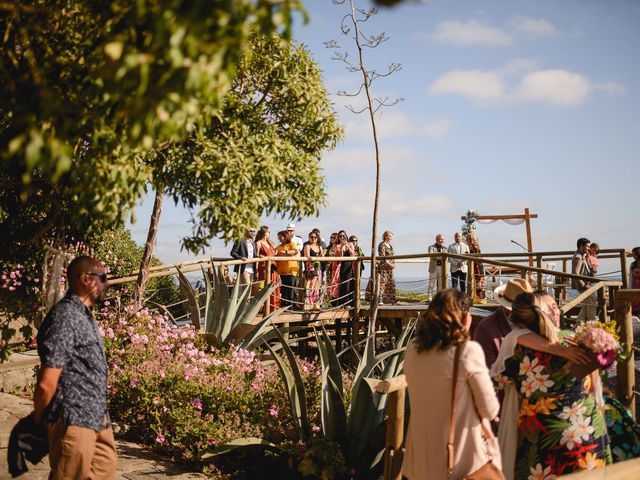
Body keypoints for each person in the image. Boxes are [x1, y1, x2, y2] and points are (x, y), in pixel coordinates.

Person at [491, 291, 610, 480]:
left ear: (516, 321)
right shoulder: (576, 341)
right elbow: (594, 379)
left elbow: (499, 380)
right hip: (586, 432)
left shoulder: (516, 347)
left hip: (542, 436)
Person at [403, 289, 502, 480]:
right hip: (458, 461)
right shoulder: (466, 352)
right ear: (465, 318)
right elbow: (490, 409)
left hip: (417, 461)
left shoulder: (412, 349)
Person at [33, 256, 117, 479]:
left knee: (105, 470)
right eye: (103, 278)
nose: (106, 284)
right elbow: (47, 381)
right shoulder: (65, 316)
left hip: (98, 418)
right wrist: (39, 421)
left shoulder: (84, 315)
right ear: (86, 279)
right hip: (72, 419)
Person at [365, 230, 397, 304]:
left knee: (391, 283)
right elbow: (382, 257)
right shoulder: (381, 245)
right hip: (383, 268)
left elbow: (392, 256)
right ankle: (379, 300)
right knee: (381, 284)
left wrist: (393, 264)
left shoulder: (390, 246)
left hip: (390, 268)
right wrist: (390, 264)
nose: (390, 238)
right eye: (389, 236)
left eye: (391, 236)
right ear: (385, 236)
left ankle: (391, 300)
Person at [254, 225, 281, 311]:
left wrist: (268, 240)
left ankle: (274, 306)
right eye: (268, 232)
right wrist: (256, 270)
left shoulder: (269, 242)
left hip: (273, 267)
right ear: (265, 233)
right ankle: (264, 308)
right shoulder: (258, 243)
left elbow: (276, 249)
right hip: (264, 268)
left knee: (274, 285)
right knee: (265, 285)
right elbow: (256, 256)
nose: (270, 233)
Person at [571, 237, 596, 321]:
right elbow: (575, 273)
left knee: (587, 305)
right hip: (582, 285)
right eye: (587, 246)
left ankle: (578, 324)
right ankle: (592, 324)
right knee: (592, 304)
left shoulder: (583, 256)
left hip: (586, 283)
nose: (589, 249)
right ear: (581, 246)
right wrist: (583, 285)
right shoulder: (578, 257)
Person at [329, 230, 356, 307]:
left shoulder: (350, 244)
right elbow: (340, 257)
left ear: (346, 236)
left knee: (349, 283)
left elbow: (352, 254)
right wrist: (341, 247)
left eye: (343, 236)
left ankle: (349, 302)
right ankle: (342, 302)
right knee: (342, 284)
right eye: (340, 236)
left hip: (349, 265)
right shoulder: (337, 246)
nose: (342, 237)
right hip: (341, 266)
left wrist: (347, 245)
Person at [275, 230, 300, 309]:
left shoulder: (291, 244)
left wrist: (286, 252)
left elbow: (295, 251)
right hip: (282, 270)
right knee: (285, 288)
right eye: (278, 237)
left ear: (285, 236)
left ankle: (291, 305)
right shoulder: (278, 247)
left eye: (280, 236)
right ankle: (285, 305)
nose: (279, 238)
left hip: (291, 269)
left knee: (291, 288)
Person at [303, 231, 323, 310]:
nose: (313, 239)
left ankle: (316, 305)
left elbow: (323, 256)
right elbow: (308, 257)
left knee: (317, 287)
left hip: (318, 268)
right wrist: (318, 257)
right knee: (309, 286)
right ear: (309, 237)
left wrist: (320, 256)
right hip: (310, 267)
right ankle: (308, 305)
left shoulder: (319, 247)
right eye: (311, 237)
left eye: (315, 237)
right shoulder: (307, 246)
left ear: (317, 238)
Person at [427, 234, 446, 299]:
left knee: (440, 285)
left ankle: (439, 298)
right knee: (431, 284)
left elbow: (446, 258)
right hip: (433, 268)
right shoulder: (431, 247)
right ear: (437, 239)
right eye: (441, 239)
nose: (443, 241)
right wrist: (441, 257)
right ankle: (429, 298)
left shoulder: (445, 248)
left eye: (443, 239)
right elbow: (432, 255)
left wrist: (437, 257)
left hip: (442, 268)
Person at [468, 233, 486, 299]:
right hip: (475, 265)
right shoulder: (472, 245)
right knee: (476, 281)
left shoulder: (475, 246)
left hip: (477, 266)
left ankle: (480, 297)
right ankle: (477, 296)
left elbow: (479, 256)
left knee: (479, 281)